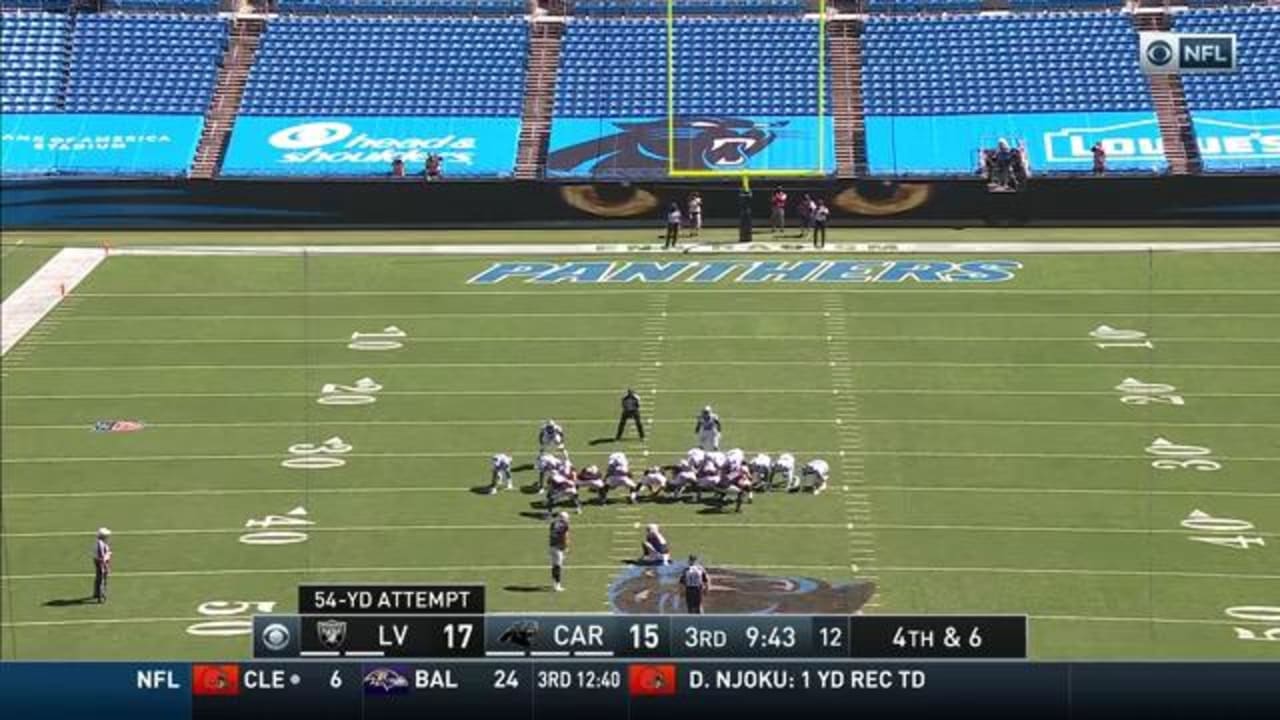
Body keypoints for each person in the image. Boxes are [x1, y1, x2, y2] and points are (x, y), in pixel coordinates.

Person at [549, 512, 571, 592]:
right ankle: (557, 585)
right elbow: (565, 537)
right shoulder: (565, 525)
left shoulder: (553, 523)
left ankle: (554, 583)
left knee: (554, 565)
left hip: (552, 546)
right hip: (559, 548)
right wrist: (566, 547)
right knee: (558, 566)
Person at [92, 527, 112, 603]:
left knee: (99, 578)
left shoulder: (100, 543)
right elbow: (102, 557)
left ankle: (97, 593)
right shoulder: (100, 544)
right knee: (102, 579)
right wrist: (106, 567)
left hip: (99, 562)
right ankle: (101, 596)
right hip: (101, 563)